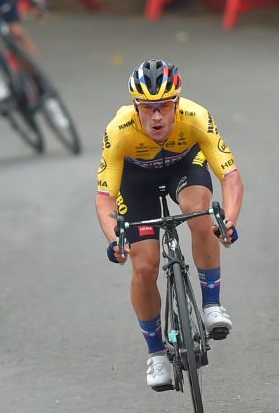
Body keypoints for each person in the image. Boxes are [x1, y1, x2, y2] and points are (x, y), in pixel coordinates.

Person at [95, 59, 244, 391]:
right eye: (148, 109)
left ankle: (211, 305)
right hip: (136, 183)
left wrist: (229, 219)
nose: (157, 116)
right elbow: (104, 196)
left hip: (183, 167)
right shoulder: (118, 130)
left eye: (164, 107)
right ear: (136, 107)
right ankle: (156, 353)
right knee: (144, 265)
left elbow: (231, 177)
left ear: (176, 103)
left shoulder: (197, 117)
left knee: (198, 211)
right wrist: (115, 240)